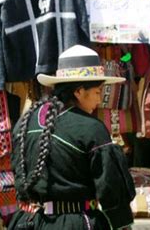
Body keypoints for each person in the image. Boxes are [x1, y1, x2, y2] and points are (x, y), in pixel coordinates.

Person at [8, 45, 136, 229]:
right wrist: (122, 224)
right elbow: (110, 187)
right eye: (98, 92)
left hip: (31, 222)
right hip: (77, 224)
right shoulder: (91, 128)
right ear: (79, 91)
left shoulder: (25, 122)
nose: (100, 100)